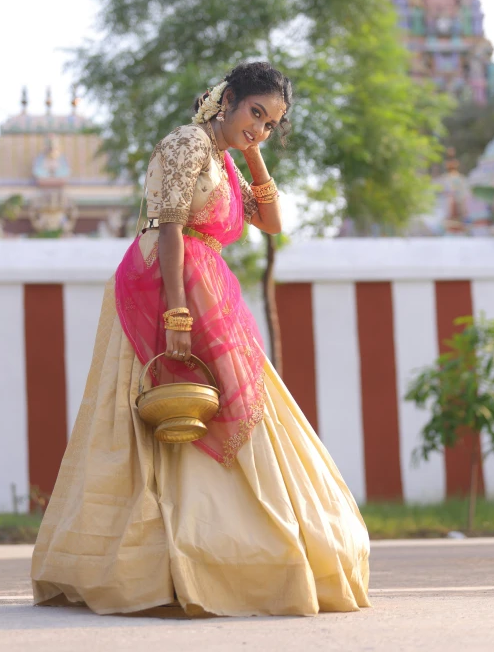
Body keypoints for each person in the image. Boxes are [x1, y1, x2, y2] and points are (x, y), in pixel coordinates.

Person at [31, 61, 370, 617]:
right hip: (161, 288)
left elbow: (274, 223)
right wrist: (178, 314)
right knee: (155, 412)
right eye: (254, 114)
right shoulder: (187, 143)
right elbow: (167, 227)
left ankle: (231, 551)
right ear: (227, 98)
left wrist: (252, 150)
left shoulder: (228, 161)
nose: (258, 128)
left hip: (207, 284)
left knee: (232, 404)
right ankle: (153, 564)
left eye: (270, 123)